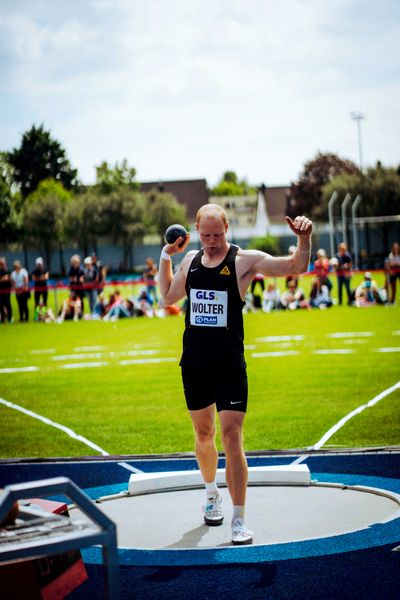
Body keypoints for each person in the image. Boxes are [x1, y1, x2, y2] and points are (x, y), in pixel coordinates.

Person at [158, 204, 312, 546]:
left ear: (227, 230)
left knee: (232, 436)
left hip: (229, 363)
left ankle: (239, 519)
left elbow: (296, 266)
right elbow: (168, 295)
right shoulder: (191, 261)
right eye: (206, 235)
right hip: (195, 364)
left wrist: (304, 240)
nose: (212, 242)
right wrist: (165, 257)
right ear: (197, 232)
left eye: (218, 235)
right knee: (204, 434)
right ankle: (211, 493)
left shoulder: (244, 260)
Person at [0, 257, 13, 323]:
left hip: (7, 290)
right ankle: (2, 318)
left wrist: (3, 278)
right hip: (0, 290)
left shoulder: (8, 270)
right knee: (1, 304)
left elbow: (7, 278)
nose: (1, 265)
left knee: (7, 303)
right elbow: (4, 278)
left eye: (2, 263)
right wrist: (3, 278)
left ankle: (10, 318)